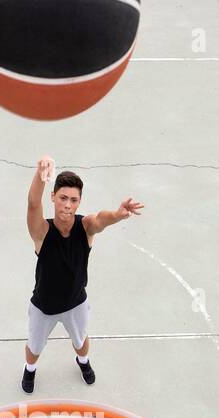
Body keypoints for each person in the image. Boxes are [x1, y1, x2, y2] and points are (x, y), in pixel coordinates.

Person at [22, 155, 144, 393]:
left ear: (79, 203)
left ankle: (83, 362)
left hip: (76, 302)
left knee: (81, 343)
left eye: (73, 200)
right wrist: (40, 175)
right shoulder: (42, 232)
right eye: (63, 198)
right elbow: (32, 205)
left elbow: (101, 219)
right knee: (34, 348)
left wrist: (118, 215)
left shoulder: (85, 226)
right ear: (53, 198)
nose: (67, 204)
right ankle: (29, 369)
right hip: (43, 306)